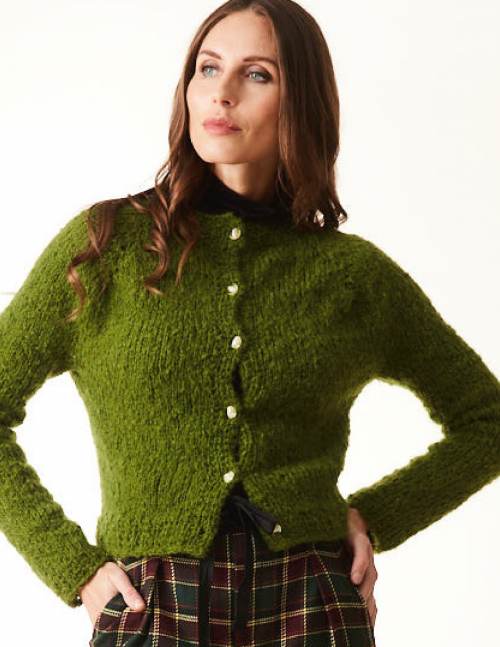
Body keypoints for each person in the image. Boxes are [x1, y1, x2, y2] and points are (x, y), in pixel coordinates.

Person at [0, 1, 498, 645]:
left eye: (257, 74)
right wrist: (74, 567)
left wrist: (375, 518)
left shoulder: (353, 276)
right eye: (208, 68)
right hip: (154, 606)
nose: (222, 93)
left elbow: (487, 421)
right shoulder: (108, 247)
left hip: (313, 605)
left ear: (302, 101)